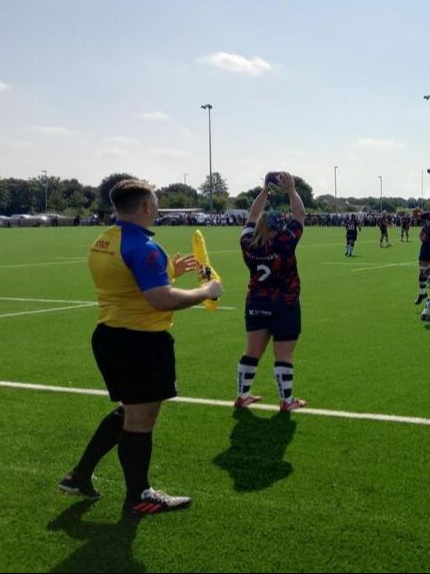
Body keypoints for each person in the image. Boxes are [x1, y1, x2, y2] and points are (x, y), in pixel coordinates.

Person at [61, 178, 222, 515]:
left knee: (130, 411)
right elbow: (160, 300)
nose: (158, 206)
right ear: (146, 206)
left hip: (111, 335)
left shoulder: (105, 240)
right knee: (141, 417)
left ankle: (79, 475)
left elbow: (130, 284)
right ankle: (139, 494)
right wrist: (205, 292)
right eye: (156, 201)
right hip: (140, 341)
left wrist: (169, 273)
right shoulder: (144, 247)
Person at [235, 172, 307, 412]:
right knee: (283, 354)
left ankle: (242, 395)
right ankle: (286, 401)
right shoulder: (285, 241)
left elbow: (252, 215)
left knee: (252, 351)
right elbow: (300, 215)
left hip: (256, 300)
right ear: (278, 227)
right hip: (284, 302)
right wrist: (291, 190)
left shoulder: (247, 242)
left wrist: (265, 190)